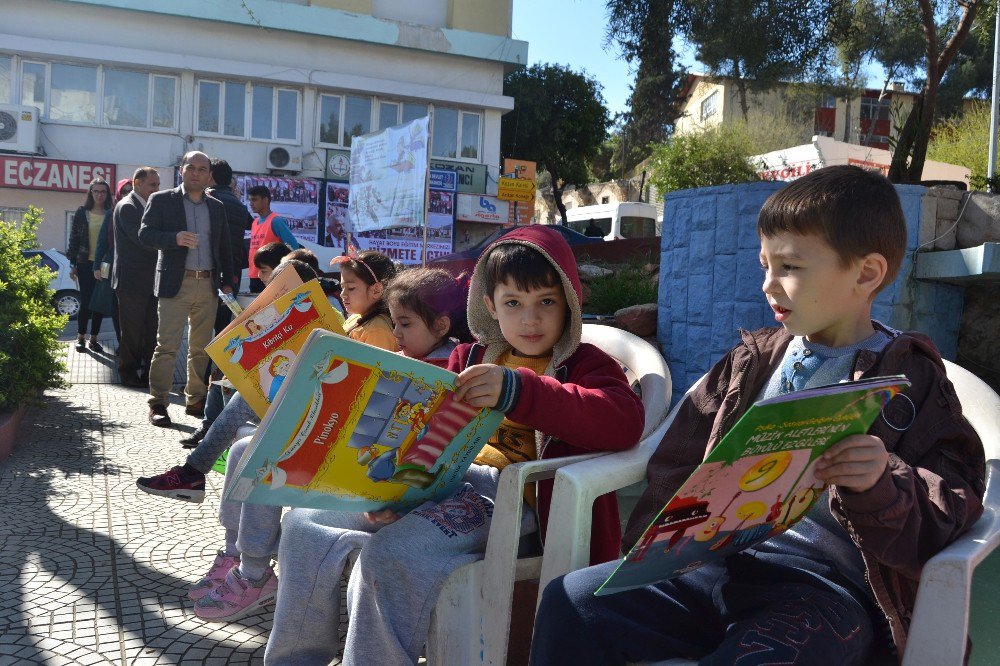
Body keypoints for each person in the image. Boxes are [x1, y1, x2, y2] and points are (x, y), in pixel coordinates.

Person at [529, 165, 987, 666]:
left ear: (866, 273)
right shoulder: (751, 362)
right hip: (714, 568)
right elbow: (675, 462)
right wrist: (665, 545)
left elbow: (955, 501)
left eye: (789, 267)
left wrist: (881, 481)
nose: (769, 285)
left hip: (821, 592)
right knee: (573, 600)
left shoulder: (912, 379)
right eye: (765, 265)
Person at [263, 226, 645, 665]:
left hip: (508, 500)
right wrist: (391, 493)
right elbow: (421, 434)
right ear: (490, 306)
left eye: (547, 302)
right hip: (438, 483)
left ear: (571, 301)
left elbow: (624, 421)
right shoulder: (469, 357)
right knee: (304, 524)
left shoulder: (585, 362)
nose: (530, 320)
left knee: (389, 556)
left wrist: (520, 392)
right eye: (513, 304)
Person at [138, 151, 234, 427]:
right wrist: (174, 238)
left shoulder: (216, 206)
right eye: (191, 167)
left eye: (202, 169)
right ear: (181, 170)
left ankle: (195, 399)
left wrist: (228, 281)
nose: (196, 173)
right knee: (166, 347)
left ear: (209, 175)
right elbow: (145, 235)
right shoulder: (162, 200)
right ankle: (158, 402)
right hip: (174, 283)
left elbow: (224, 246)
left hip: (208, 284)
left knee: (202, 348)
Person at [111, 167, 162, 388]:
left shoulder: (147, 206)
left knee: (151, 332)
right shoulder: (128, 207)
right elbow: (144, 241)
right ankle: (128, 375)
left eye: (158, 185)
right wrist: (171, 243)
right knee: (132, 332)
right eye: (153, 185)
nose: (156, 189)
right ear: (137, 183)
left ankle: (148, 374)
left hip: (151, 281)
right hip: (132, 283)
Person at [66, 178, 114, 352]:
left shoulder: (112, 212)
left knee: (99, 303)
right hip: (85, 263)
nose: (99, 195)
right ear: (91, 193)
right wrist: (72, 264)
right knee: (86, 302)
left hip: (104, 265)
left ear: (107, 194)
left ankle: (94, 339)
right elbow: (74, 240)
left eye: (103, 191)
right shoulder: (82, 212)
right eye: (96, 191)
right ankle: (80, 338)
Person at [208, 158, 254, 311]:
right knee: (225, 317)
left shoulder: (207, 199)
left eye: (203, 170)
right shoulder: (239, 204)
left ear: (210, 175)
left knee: (203, 319)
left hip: (210, 268)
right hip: (233, 268)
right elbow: (250, 224)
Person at [330, 250, 398, 351]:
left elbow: (375, 366)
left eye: (351, 288)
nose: (342, 294)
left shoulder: (377, 331)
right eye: (342, 287)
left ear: (376, 290)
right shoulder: (355, 317)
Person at [247, 185, 300, 293]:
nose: (251, 203)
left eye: (254, 199)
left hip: (270, 276)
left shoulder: (275, 221)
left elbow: (293, 246)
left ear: (265, 200)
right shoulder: (254, 222)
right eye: (250, 200)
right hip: (254, 274)